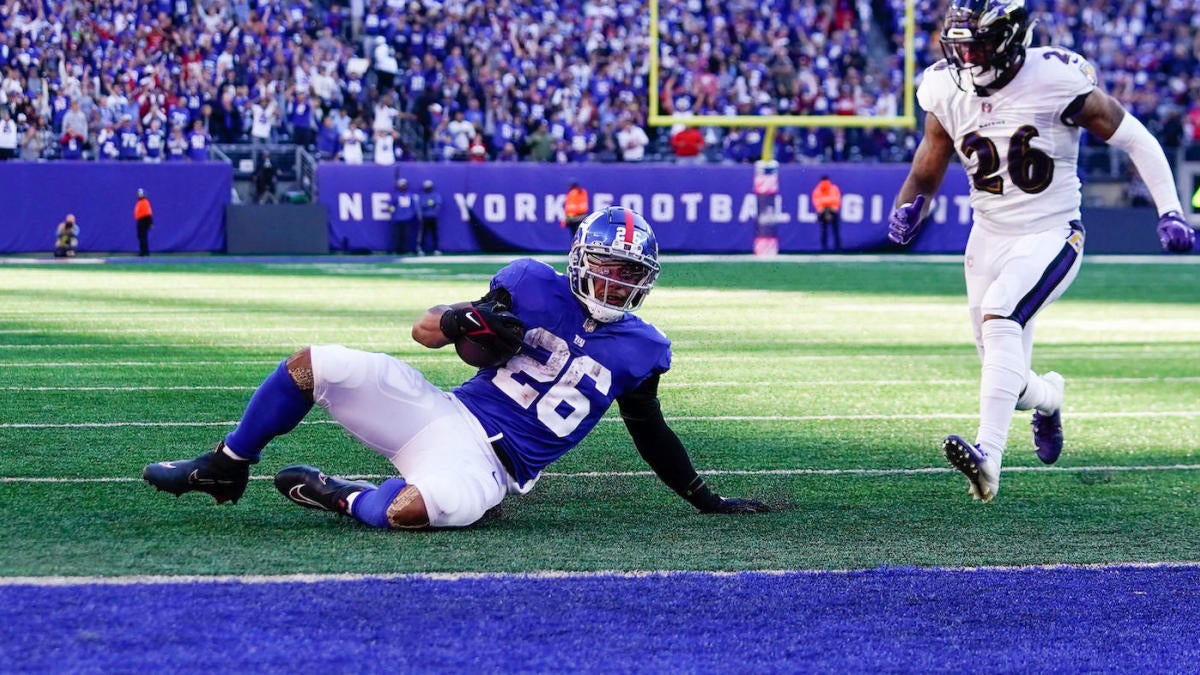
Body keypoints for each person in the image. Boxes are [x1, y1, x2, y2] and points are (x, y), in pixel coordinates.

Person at [142, 207, 770, 529]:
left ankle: (342, 495)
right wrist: (457, 323)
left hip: (492, 468)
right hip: (445, 413)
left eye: (629, 272)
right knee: (314, 364)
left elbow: (650, 429)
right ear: (580, 256)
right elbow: (426, 331)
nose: (615, 278)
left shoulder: (644, 347)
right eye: (607, 263)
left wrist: (703, 498)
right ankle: (224, 466)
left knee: (407, 513)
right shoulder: (528, 282)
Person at [887, 0, 1197, 503]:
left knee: (1001, 315)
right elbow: (928, 166)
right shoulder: (945, 87)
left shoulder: (1054, 79)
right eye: (962, 47)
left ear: (1009, 42)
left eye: (980, 46)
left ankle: (988, 460)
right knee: (1000, 369)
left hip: (1051, 232)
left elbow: (1137, 139)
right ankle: (1049, 395)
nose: (968, 59)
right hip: (986, 237)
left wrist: (1170, 209)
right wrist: (909, 208)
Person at [811, 175, 842, 251]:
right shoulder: (819, 190)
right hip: (823, 211)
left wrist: (828, 208)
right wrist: (826, 209)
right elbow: (817, 202)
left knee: (831, 230)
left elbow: (836, 200)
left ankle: (836, 247)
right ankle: (826, 248)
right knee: (826, 230)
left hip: (832, 210)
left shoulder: (833, 189)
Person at [388, 178, 417, 254]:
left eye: (404, 185)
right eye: (401, 185)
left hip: (407, 218)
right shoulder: (395, 195)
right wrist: (393, 213)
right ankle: (396, 249)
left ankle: (406, 250)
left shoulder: (410, 195)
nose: (403, 187)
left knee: (406, 236)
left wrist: (411, 214)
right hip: (397, 218)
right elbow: (391, 205)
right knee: (397, 235)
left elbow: (413, 206)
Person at [416, 179, 443, 255]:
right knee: (423, 233)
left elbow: (437, 205)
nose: (428, 188)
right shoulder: (422, 195)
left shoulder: (435, 194)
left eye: (429, 186)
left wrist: (431, 207)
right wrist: (429, 205)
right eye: (426, 186)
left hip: (433, 217)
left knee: (434, 233)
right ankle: (420, 248)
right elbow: (421, 206)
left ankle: (436, 248)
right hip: (424, 217)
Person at [134, 188, 153, 256]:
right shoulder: (140, 202)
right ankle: (144, 251)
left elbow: (148, 213)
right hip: (140, 221)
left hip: (143, 221)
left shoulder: (145, 202)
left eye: (140, 194)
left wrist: (150, 223)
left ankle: (144, 252)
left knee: (143, 237)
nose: (139, 195)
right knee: (141, 237)